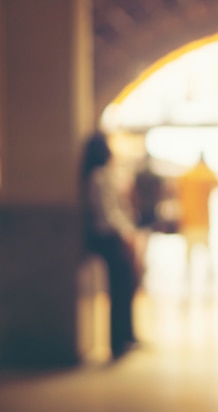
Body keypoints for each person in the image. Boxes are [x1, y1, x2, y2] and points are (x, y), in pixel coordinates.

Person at [80, 132, 139, 359]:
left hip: (113, 236)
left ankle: (126, 336)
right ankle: (119, 341)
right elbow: (109, 213)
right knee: (120, 287)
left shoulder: (99, 176)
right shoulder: (100, 177)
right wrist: (126, 235)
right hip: (110, 238)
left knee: (124, 286)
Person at [177, 152, 218, 263]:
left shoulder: (188, 175)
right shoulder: (207, 174)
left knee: (189, 248)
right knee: (206, 246)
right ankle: (209, 267)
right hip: (203, 219)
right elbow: (217, 183)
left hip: (189, 218)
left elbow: (178, 187)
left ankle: (188, 267)